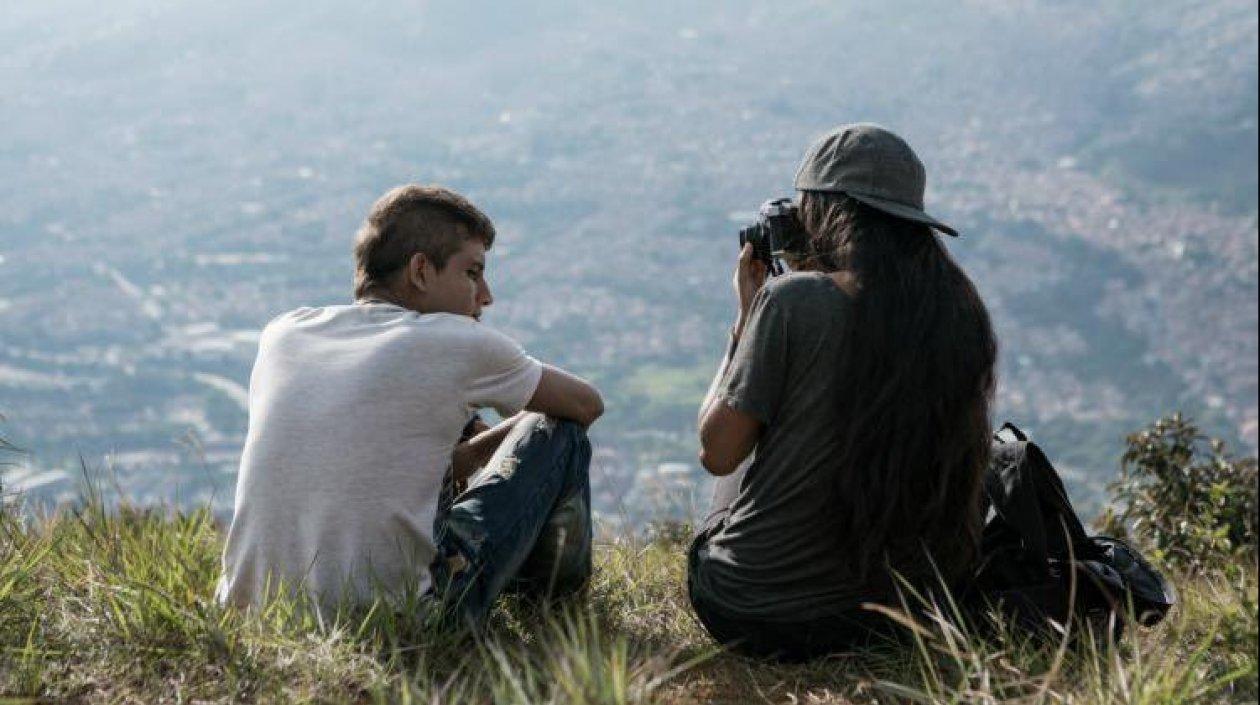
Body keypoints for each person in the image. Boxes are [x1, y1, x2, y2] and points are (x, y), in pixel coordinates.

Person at [216, 184, 604, 629]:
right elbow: (586, 404)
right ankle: (554, 614)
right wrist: (518, 428)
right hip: (401, 622)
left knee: (449, 418)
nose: (485, 295)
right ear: (421, 270)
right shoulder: (455, 342)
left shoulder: (284, 333)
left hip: (255, 617)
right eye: (472, 273)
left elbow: (374, 468)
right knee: (561, 435)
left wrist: (474, 450)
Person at [690, 123, 998, 661]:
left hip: (756, 609)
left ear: (825, 212)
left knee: (741, 449)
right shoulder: (959, 312)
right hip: (903, 618)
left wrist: (745, 322)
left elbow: (717, 453)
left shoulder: (790, 304)